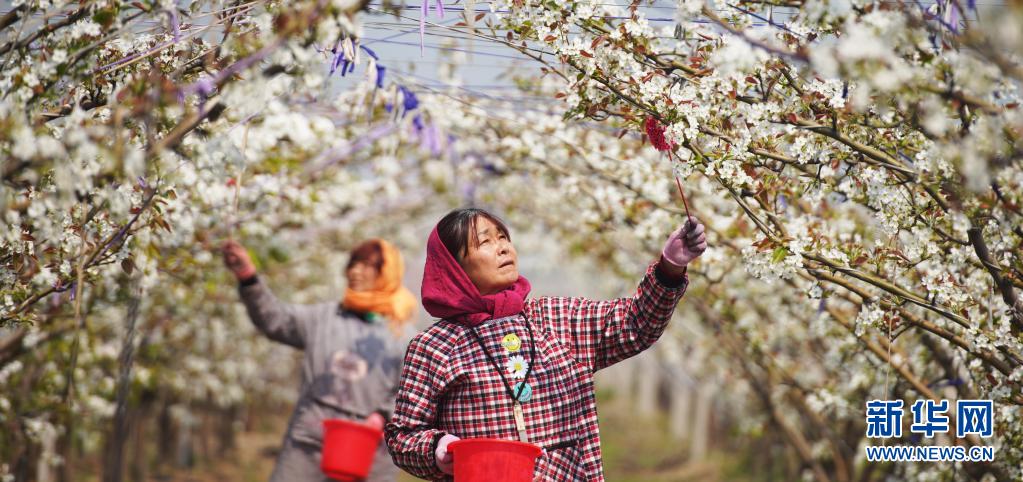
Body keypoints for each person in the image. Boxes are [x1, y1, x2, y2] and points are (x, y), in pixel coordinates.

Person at [384, 208, 707, 481]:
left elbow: (635, 324)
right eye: (485, 241)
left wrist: (669, 268)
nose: (503, 248)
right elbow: (403, 436)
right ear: (454, 266)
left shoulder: (555, 319)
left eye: (503, 238)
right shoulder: (434, 347)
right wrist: (437, 449)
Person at [223, 238, 418, 482]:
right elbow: (275, 319)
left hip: (369, 456)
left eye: (368, 265)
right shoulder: (324, 318)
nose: (355, 271)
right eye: (353, 264)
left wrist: (382, 416)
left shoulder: (403, 337)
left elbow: (413, 395)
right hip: (308, 447)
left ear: (387, 273)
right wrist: (248, 277)